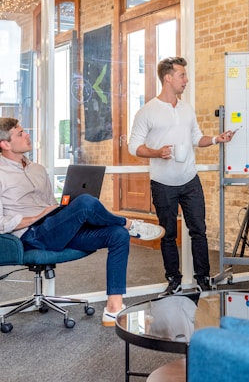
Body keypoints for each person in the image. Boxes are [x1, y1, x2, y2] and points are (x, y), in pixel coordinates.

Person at [0, 117, 165, 326]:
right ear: (5, 144)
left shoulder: (38, 169)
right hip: (32, 234)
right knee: (86, 202)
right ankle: (129, 224)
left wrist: (58, 211)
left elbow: (50, 203)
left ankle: (114, 308)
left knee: (117, 235)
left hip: (54, 227)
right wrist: (36, 217)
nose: (27, 135)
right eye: (20, 133)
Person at [128, 56, 234, 296]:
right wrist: (157, 152)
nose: (186, 80)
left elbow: (197, 138)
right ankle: (173, 280)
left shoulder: (186, 109)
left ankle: (202, 278)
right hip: (163, 184)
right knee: (168, 233)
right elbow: (133, 146)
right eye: (182, 75)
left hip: (190, 180)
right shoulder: (148, 111)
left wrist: (217, 138)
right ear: (168, 77)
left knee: (199, 230)